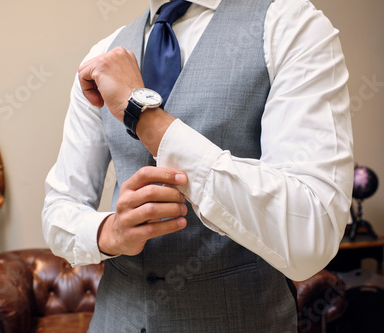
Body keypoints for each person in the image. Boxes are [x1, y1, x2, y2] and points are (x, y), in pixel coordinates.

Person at [42, 0, 354, 331]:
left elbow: (312, 235)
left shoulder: (291, 25)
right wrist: (111, 232)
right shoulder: (101, 56)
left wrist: (145, 118)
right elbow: (59, 208)